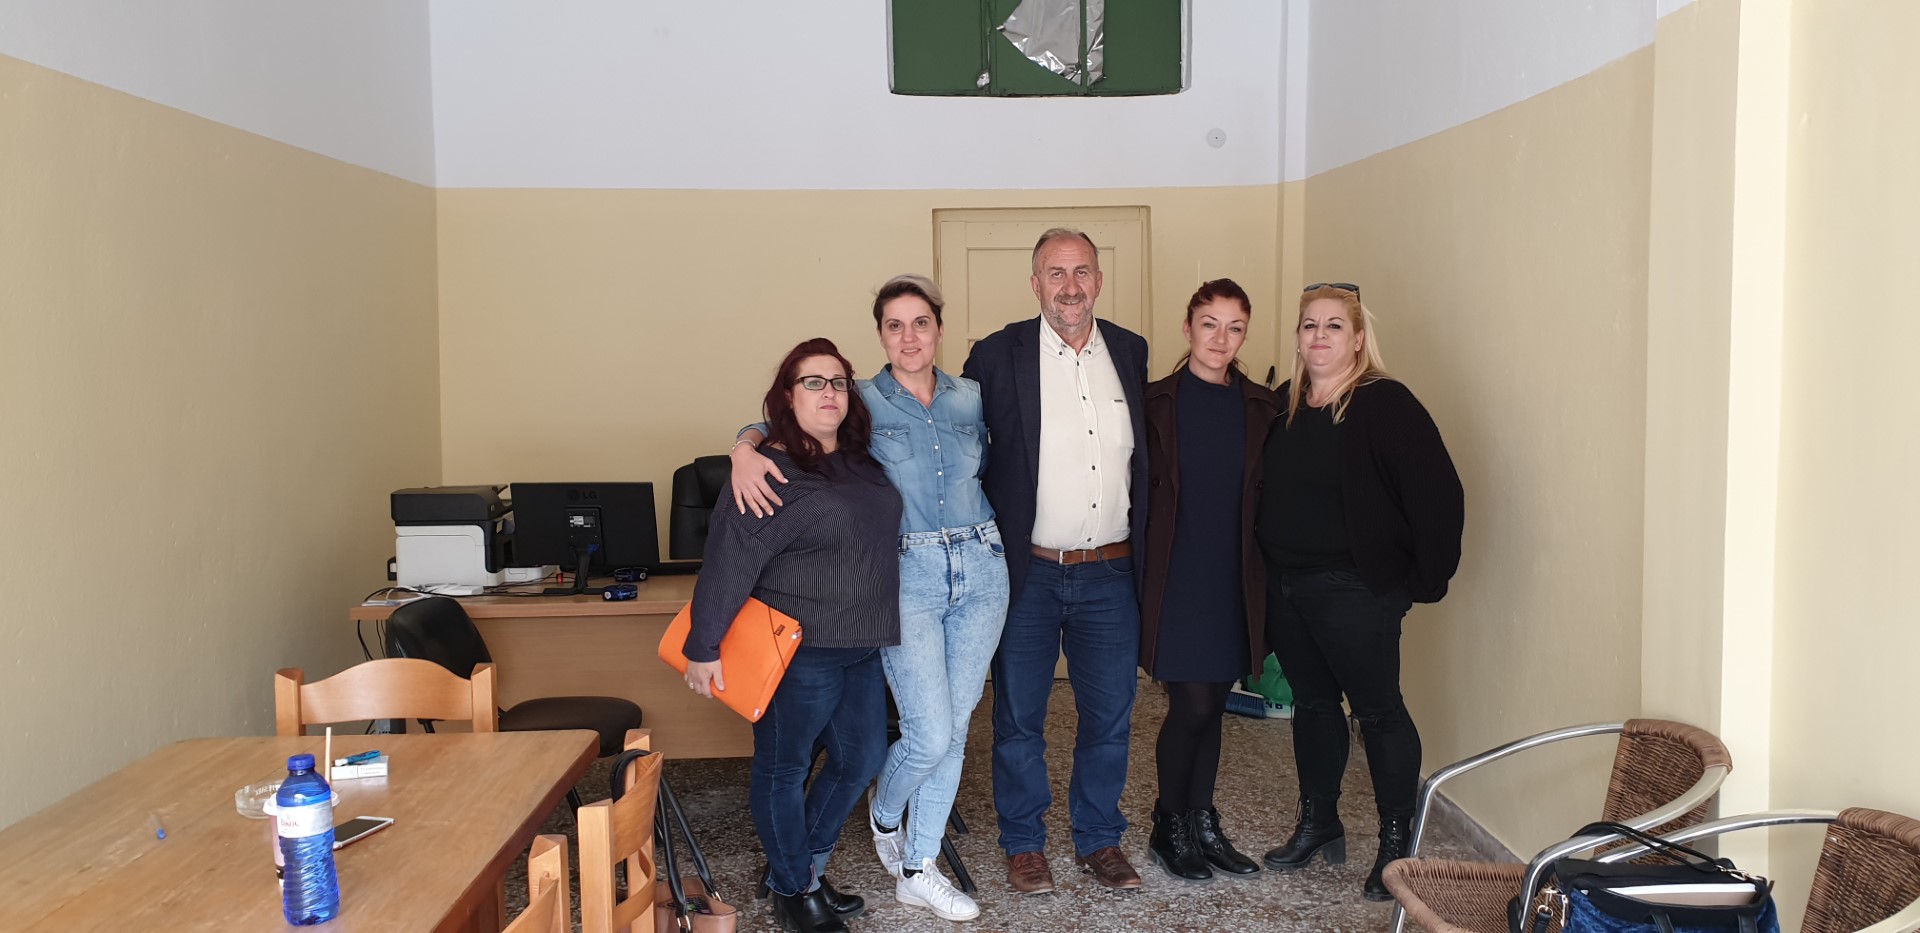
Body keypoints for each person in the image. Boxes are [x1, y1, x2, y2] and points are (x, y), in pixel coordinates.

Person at [729, 276, 1007, 923]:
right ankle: (885, 811)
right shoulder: (859, 400)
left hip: (983, 566)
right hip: (908, 573)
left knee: (955, 729)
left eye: (921, 323)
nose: (909, 337)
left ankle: (918, 867)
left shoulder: (971, 396)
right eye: (894, 325)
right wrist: (744, 447)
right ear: (880, 334)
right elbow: (784, 420)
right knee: (928, 733)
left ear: (940, 329)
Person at [684, 338, 902, 933]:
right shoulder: (771, 470)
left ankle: (799, 869)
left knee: (861, 758)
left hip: (861, 644)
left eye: (838, 382)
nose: (829, 392)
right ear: (788, 395)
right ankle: (795, 889)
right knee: (784, 768)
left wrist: (744, 439)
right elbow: (729, 558)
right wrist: (703, 646)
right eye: (813, 382)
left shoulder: (858, 457)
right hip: (799, 651)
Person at [1255, 283, 1464, 902]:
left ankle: (1396, 845)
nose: (1319, 336)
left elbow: (1439, 492)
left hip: (1352, 589)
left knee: (1378, 713)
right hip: (1287, 586)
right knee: (1313, 705)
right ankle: (1319, 821)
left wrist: (1421, 581)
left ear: (1358, 339)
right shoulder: (1285, 408)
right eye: (1309, 325)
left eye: (1334, 326)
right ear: (1297, 339)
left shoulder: (1383, 403)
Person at [963, 228, 1151, 894]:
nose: (1070, 287)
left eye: (1081, 272)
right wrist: (754, 437)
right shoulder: (996, 354)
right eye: (1055, 273)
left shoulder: (1130, 351)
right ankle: (1024, 843)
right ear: (1035, 283)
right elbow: (949, 434)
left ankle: (1099, 837)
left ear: (1098, 280)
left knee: (1110, 715)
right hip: (1030, 572)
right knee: (1019, 718)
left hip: (1111, 572)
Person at [1138, 279, 1279, 883]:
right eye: (1209, 324)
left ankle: (1202, 821)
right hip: (1176, 575)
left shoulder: (1263, 408)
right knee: (1191, 703)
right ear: (1188, 327)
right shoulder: (1153, 403)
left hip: (1235, 575)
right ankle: (1169, 823)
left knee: (1214, 704)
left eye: (1234, 328)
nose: (1221, 339)